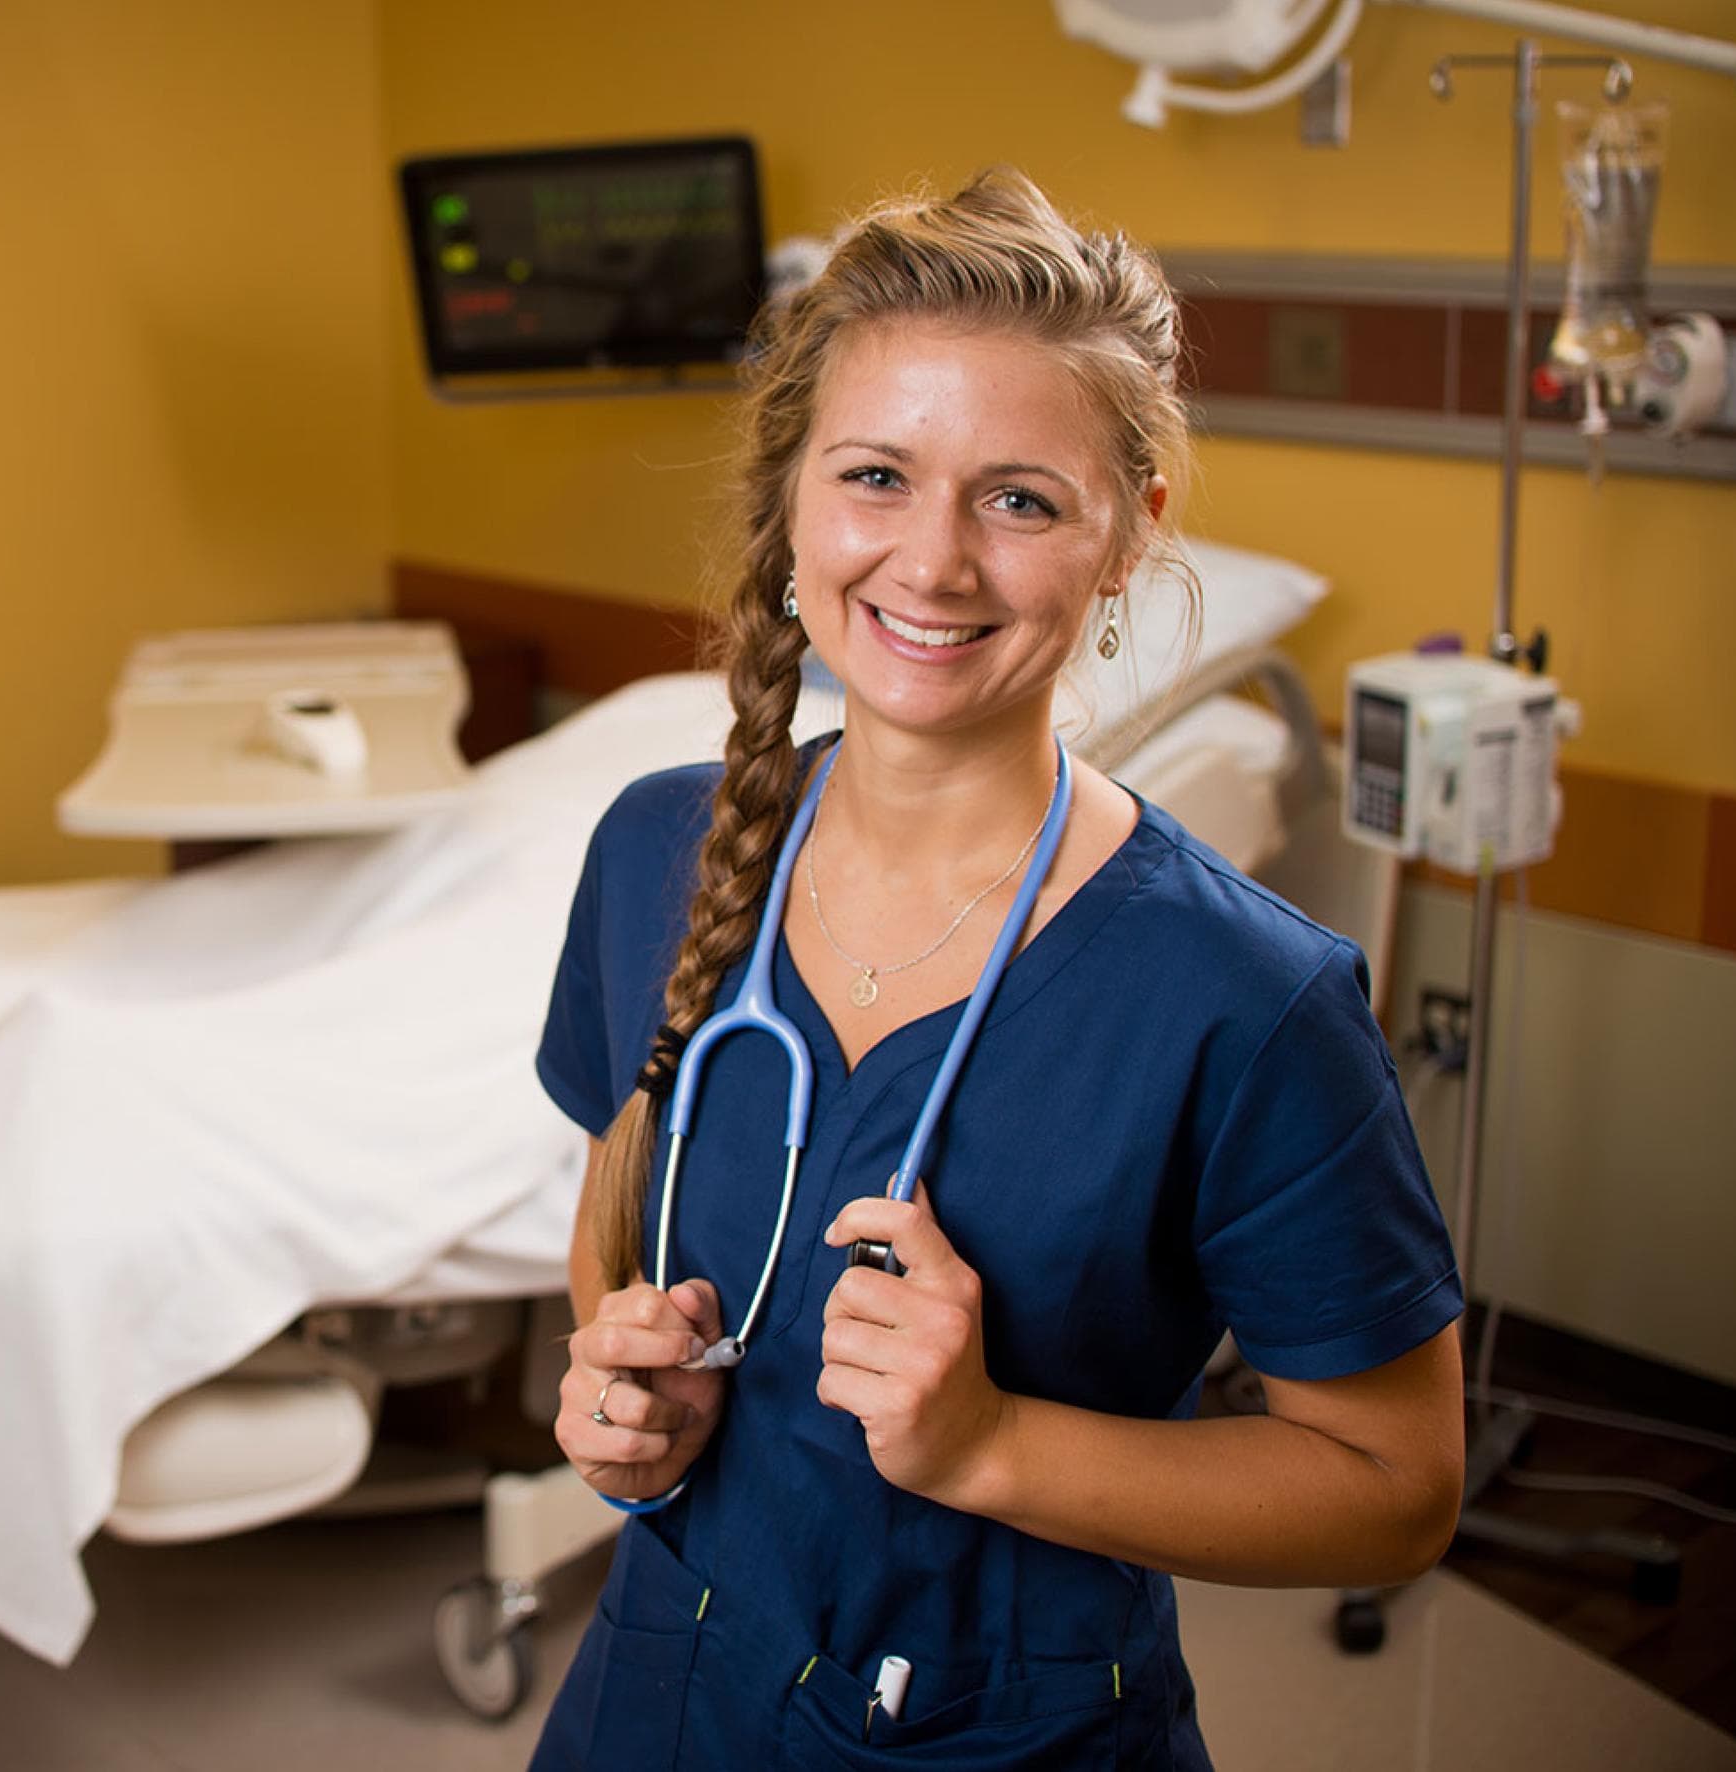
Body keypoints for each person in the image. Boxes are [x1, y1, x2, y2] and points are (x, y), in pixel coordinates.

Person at [530, 169, 1465, 1770]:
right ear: (796, 495)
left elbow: (1395, 1491)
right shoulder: (658, 849)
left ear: (1130, 532)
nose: (936, 563)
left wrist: (990, 1445)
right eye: (877, 476)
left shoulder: (1244, 1000)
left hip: (997, 1734)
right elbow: (618, 1206)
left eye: (1021, 498)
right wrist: (620, 1395)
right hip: (656, 1690)